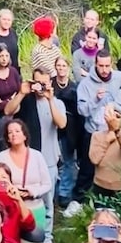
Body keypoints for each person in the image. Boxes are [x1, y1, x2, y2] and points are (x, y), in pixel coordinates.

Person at [3, 67, 66, 243]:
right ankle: (18, 237)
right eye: (37, 82)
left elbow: (62, 123)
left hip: (48, 160)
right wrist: (22, 93)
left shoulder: (56, 102)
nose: (40, 86)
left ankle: (46, 238)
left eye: (44, 82)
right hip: (24, 160)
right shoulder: (25, 100)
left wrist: (49, 98)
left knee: (47, 203)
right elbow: (7, 111)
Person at [74, 49, 121, 203]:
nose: (104, 70)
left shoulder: (120, 78)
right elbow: (81, 110)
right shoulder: (85, 84)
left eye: (107, 66)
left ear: (111, 64)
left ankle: (112, 202)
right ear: (95, 65)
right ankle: (79, 201)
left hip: (114, 132)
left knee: (113, 168)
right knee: (87, 168)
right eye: (101, 66)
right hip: (94, 133)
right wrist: (95, 100)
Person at [0, 119, 52, 243]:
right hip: (12, 209)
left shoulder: (37, 156)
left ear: (25, 135)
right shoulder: (3, 156)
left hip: (34, 207)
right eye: (10, 132)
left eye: (17, 131)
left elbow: (47, 184)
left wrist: (30, 192)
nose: (13, 134)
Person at [52, 56, 81, 215]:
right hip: (52, 130)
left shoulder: (74, 87)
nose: (61, 68)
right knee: (54, 162)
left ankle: (64, 193)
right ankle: (52, 191)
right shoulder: (50, 85)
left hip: (69, 131)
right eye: (59, 65)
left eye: (64, 65)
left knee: (69, 162)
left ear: (68, 68)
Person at [88, 105, 121, 196]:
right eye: (111, 117)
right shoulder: (97, 136)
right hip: (100, 186)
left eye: (117, 117)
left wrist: (117, 131)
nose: (114, 120)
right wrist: (106, 141)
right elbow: (94, 159)